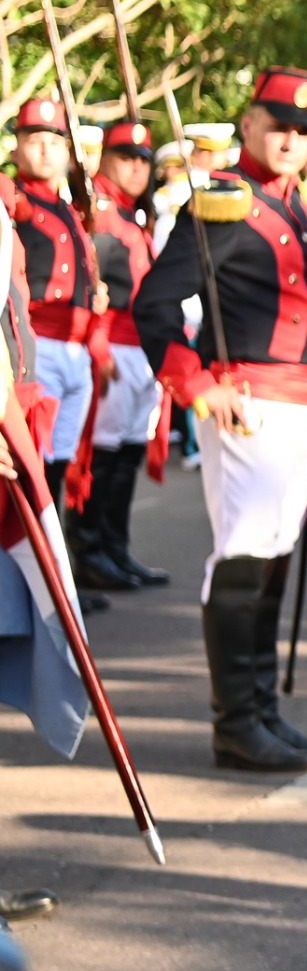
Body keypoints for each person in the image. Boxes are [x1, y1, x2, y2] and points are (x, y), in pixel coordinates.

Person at [132, 67, 307, 772]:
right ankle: (236, 724)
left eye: (303, 130)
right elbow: (156, 303)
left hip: (300, 405)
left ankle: (261, 714)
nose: (290, 139)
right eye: (278, 125)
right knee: (245, 559)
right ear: (248, 124)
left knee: (273, 561)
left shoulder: (295, 200)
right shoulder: (224, 202)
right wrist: (195, 385)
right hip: (249, 406)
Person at [7, 99, 109, 604]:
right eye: (35, 140)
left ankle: (60, 577)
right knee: (36, 467)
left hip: (76, 346)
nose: (46, 151)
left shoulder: (70, 206)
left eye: (55, 141)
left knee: (61, 465)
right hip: (38, 347)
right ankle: (38, 581)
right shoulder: (15, 199)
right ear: (16, 149)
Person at [83, 120, 170, 591]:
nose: (137, 168)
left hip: (139, 348)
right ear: (106, 160)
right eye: (126, 158)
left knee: (128, 452)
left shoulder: (134, 213)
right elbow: (92, 291)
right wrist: (97, 347)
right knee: (103, 454)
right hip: (112, 345)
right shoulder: (98, 210)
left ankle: (115, 549)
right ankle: (89, 553)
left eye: (143, 161)